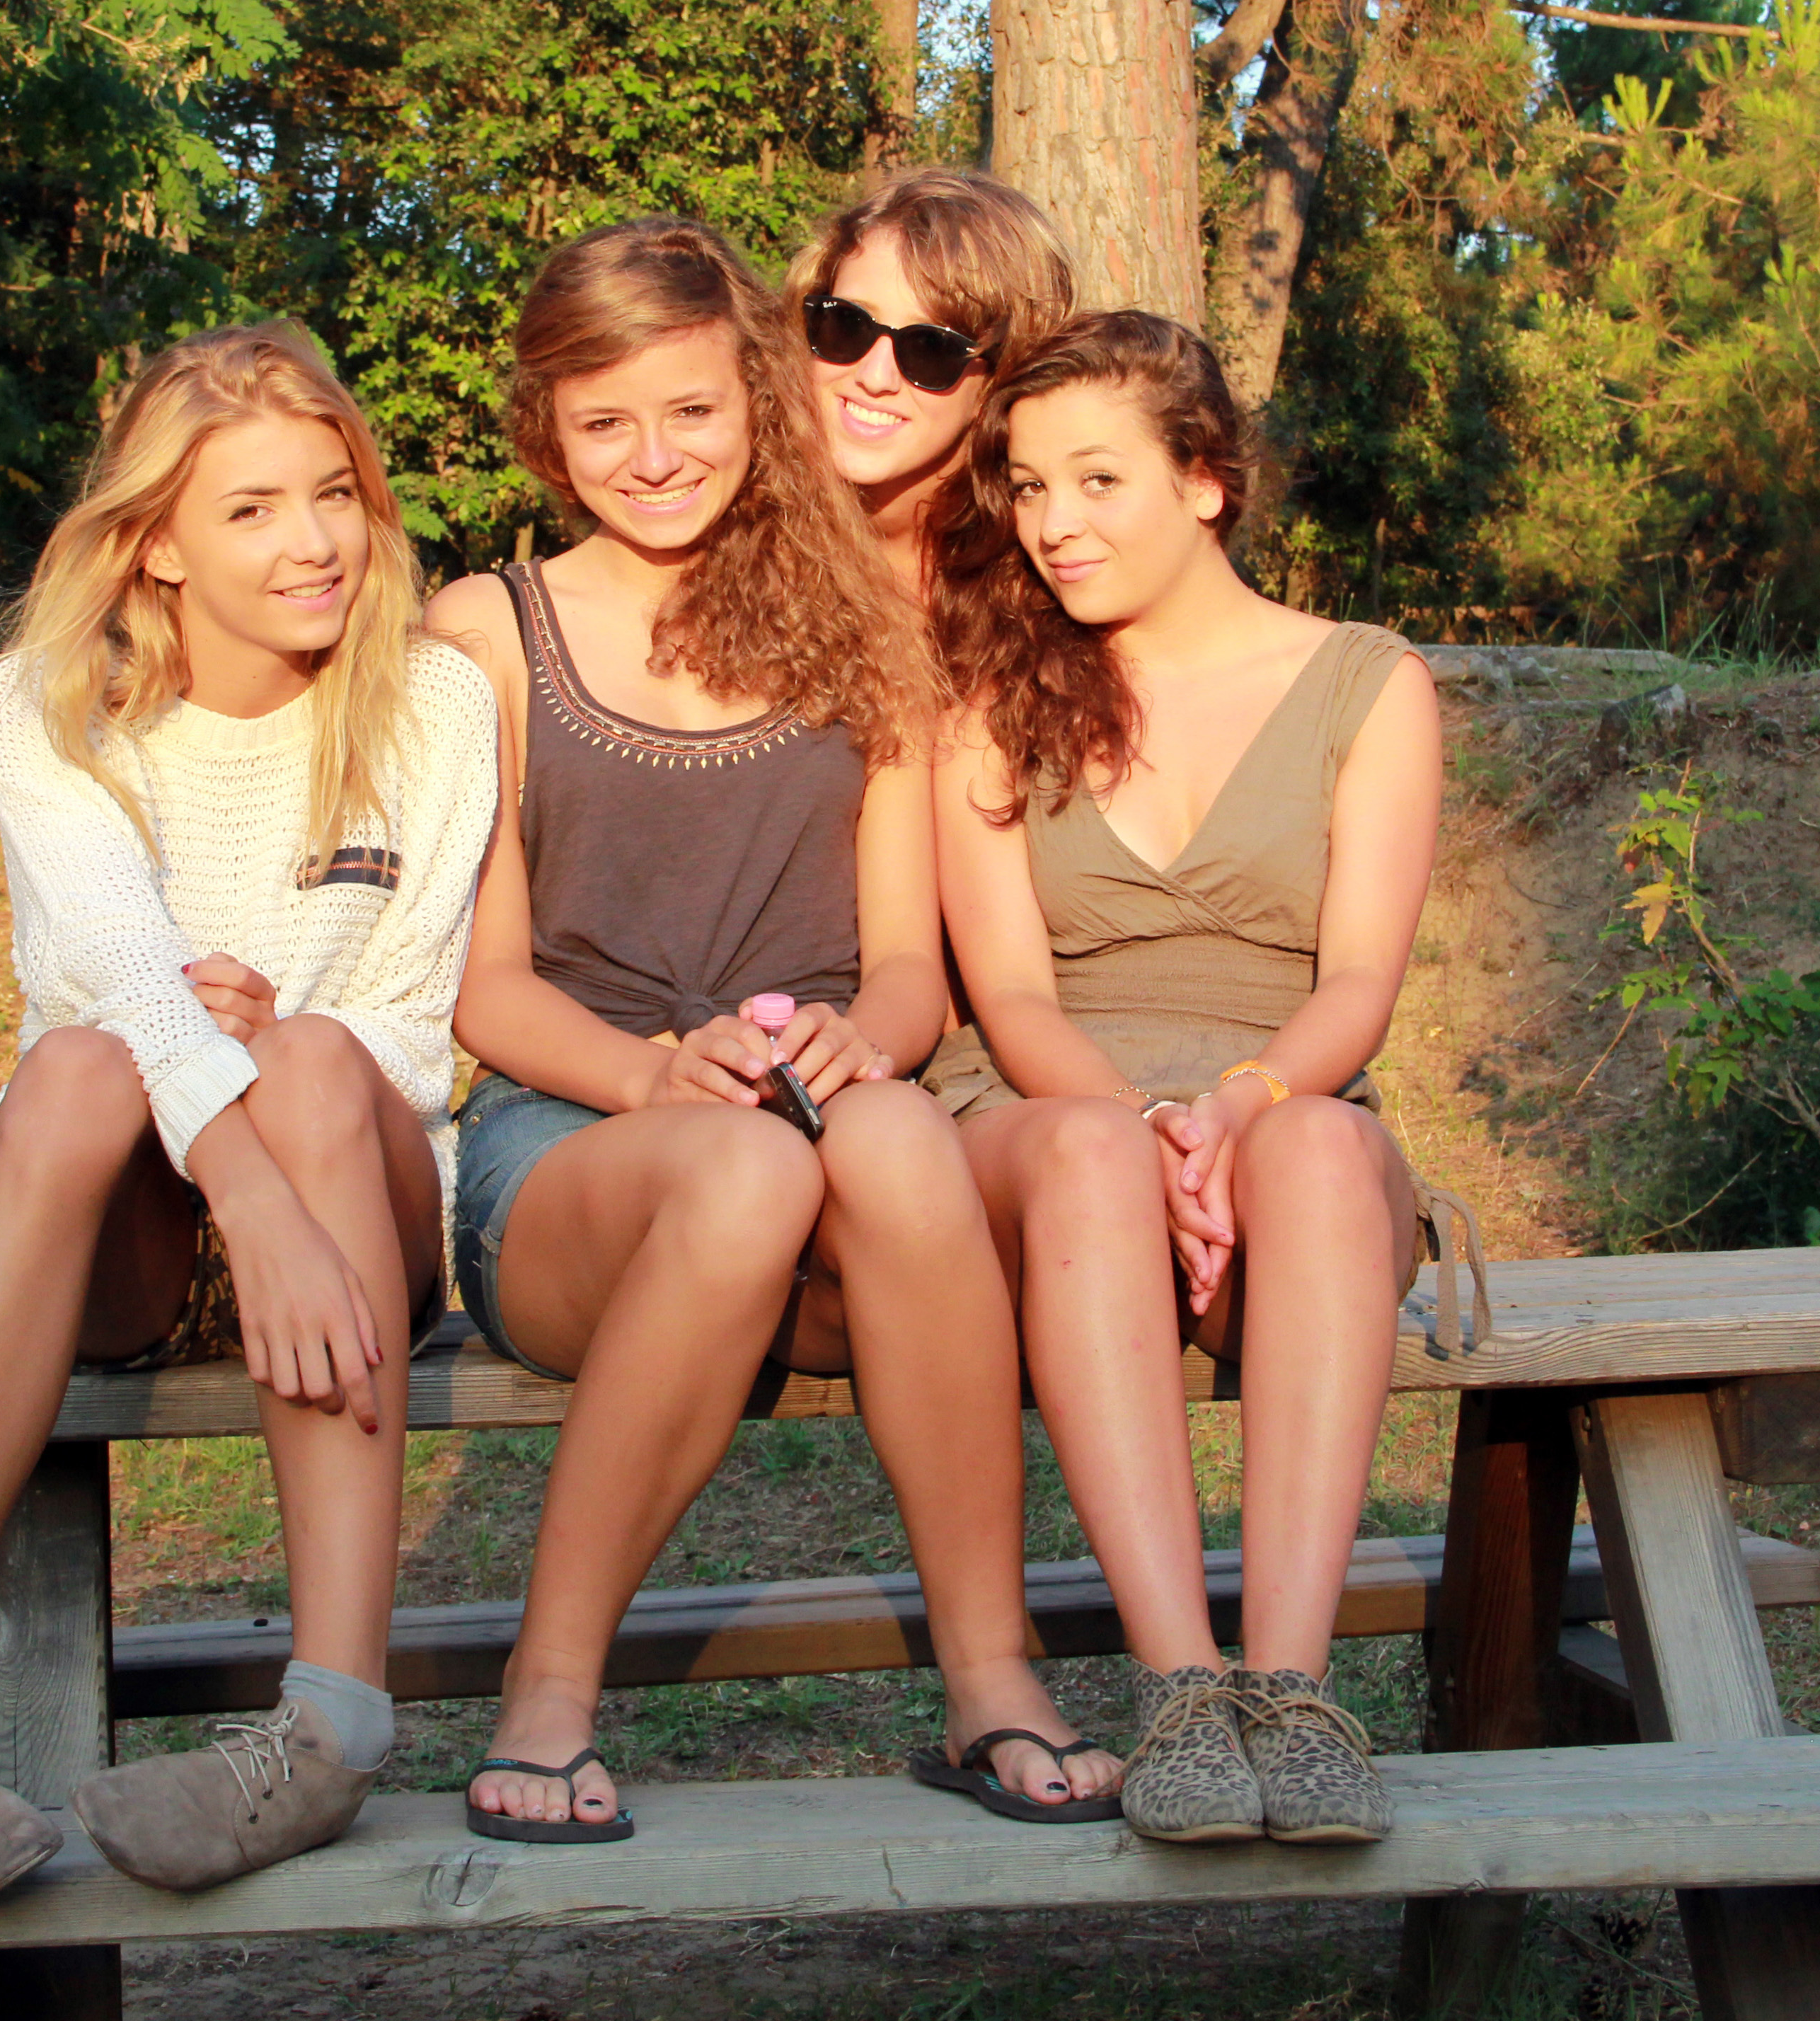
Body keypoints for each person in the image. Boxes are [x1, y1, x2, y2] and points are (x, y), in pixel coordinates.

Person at [430, 217, 1117, 1843]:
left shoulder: (868, 635)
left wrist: (857, 1049)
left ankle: (989, 1681)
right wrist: (649, 1077)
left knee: (880, 1130)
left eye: (689, 413)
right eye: (603, 423)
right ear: (546, 432)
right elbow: (480, 988)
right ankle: (546, 1692)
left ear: (753, 400)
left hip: (813, 1122)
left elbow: (902, 967)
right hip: (571, 1142)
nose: (651, 457)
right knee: (735, 1175)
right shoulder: (485, 632)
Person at [0, 323, 497, 1906]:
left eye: (333, 492)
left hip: (352, 1212)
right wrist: (235, 1171)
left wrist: (267, 1086)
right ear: (159, 547)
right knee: (72, 1071)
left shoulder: (435, 706)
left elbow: (411, 1031)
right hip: (126, 1225)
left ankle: (328, 1728)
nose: (315, 540)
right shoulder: (42, 708)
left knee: (325, 1055)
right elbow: (116, 976)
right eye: (253, 509)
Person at [928, 310, 1482, 1846]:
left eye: (1095, 481)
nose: (1052, 525)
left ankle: (1290, 1691)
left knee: (1310, 1153)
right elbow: (1009, 990)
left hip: (1273, 1097)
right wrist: (1127, 1124)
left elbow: (1357, 983)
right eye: (1027, 490)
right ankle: (1179, 1686)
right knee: (1095, 1157)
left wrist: (1236, 1105)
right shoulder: (986, 695)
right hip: (1046, 1115)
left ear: (1205, 482)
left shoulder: (1368, 684)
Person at [787, 166, 1078, 599]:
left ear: (1000, 379)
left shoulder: (1054, 568)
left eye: (931, 349)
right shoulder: (725, 535)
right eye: (846, 324)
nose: (875, 376)